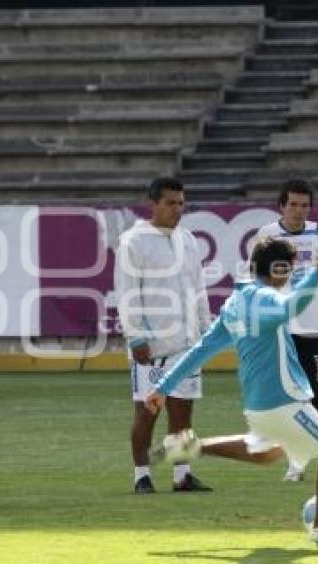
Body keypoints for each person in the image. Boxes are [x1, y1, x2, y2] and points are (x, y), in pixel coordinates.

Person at [145, 238, 318, 543]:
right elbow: (293, 306)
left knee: (268, 454)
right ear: (277, 270)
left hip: (258, 404)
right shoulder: (265, 298)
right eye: (288, 270)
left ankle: (193, 446)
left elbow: (201, 350)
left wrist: (162, 387)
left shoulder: (235, 303)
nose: (289, 276)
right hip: (283, 401)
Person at [254, 179, 318, 481]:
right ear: (282, 206)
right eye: (293, 205)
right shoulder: (267, 234)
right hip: (280, 332)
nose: (299, 211)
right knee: (289, 400)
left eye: (304, 205)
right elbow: (256, 280)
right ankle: (296, 463)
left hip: (314, 331)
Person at [114, 177, 212, 494]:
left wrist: (206, 329)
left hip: (188, 343)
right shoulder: (133, 241)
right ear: (153, 204)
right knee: (147, 411)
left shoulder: (188, 240)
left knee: (183, 409)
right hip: (153, 345)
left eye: (181, 203)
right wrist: (136, 337)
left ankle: (181, 475)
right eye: (170, 203)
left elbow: (198, 288)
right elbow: (127, 293)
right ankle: (141, 474)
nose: (177, 209)